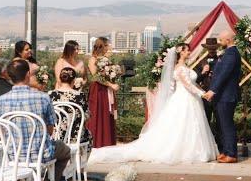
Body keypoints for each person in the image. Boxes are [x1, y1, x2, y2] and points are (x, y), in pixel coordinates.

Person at [87, 44, 219, 164]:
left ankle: (192, 148)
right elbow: (188, 84)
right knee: (183, 124)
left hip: (190, 99)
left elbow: (193, 84)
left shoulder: (185, 67)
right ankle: (184, 151)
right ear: (181, 53)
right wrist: (203, 94)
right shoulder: (179, 69)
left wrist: (203, 91)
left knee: (190, 125)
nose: (190, 51)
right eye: (187, 50)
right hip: (184, 99)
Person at [0, 59, 71, 181]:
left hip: (12, 154)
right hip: (40, 153)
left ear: (9, 77)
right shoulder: (43, 97)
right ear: (28, 74)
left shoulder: (0, 100)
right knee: (65, 151)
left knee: (19, 157)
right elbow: (50, 129)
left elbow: (2, 130)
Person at [204, 30, 242, 163]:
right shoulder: (228, 53)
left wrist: (212, 90)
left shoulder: (232, 54)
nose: (219, 43)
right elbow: (220, 69)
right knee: (222, 125)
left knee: (227, 125)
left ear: (228, 40)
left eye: (221, 40)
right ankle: (226, 151)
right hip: (222, 96)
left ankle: (231, 154)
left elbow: (224, 74)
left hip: (226, 96)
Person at [87, 37, 119, 149]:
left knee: (107, 114)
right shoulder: (93, 59)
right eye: (107, 45)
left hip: (106, 90)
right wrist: (111, 85)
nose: (109, 47)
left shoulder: (106, 59)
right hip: (98, 90)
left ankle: (107, 141)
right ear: (102, 46)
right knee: (97, 113)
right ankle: (96, 141)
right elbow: (95, 76)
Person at [48, 67, 92, 145]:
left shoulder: (50, 94)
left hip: (56, 135)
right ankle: (80, 157)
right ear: (74, 80)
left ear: (60, 79)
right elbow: (87, 115)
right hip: (76, 136)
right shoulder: (80, 95)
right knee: (89, 135)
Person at [194, 37, 221, 134]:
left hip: (219, 95)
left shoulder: (221, 60)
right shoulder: (201, 62)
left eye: (214, 48)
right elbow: (195, 80)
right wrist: (203, 72)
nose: (212, 50)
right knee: (205, 121)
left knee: (220, 122)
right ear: (207, 49)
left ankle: (220, 145)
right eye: (210, 48)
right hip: (205, 95)